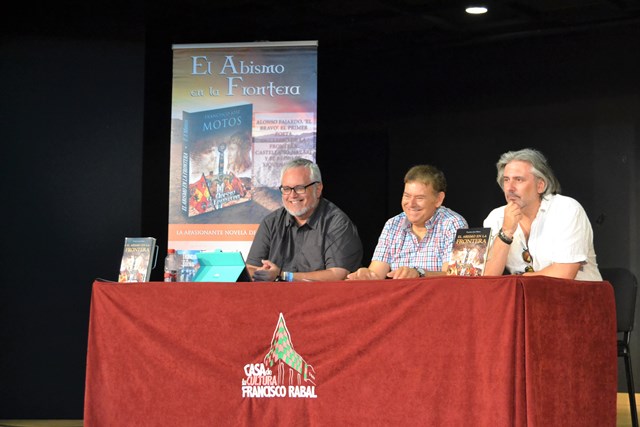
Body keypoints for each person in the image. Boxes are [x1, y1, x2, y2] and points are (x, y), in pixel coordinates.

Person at [483, 148, 602, 281]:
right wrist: (506, 232)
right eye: (506, 180)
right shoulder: (496, 217)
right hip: (526, 299)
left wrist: (519, 280)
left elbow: (564, 274)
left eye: (519, 180)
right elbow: (487, 279)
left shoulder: (566, 209)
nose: (510, 188)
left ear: (540, 185)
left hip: (579, 297)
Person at [247, 158, 363, 281]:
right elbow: (250, 268)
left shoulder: (338, 224)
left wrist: (283, 276)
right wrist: (262, 273)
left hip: (322, 298)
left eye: (300, 188)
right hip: (276, 298)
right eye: (286, 189)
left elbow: (337, 275)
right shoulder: (271, 223)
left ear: (318, 189)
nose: (292, 195)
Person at [347, 165, 467, 280]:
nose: (411, 204)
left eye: (419, 198)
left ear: (438, 199)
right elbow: (376, 274)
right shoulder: (393, 225)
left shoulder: (453, 224)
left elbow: (453, 276)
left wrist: (419, 273)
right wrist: (365, 275)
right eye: (407, 196)